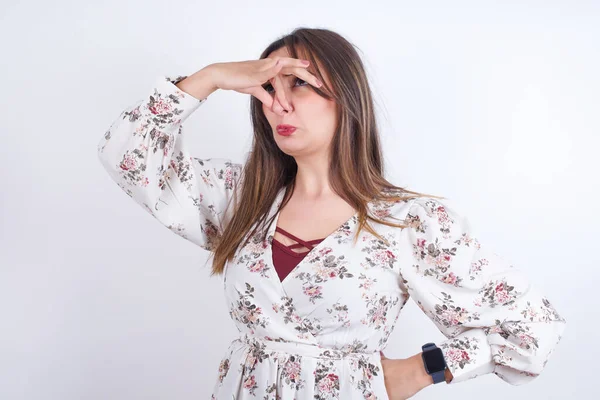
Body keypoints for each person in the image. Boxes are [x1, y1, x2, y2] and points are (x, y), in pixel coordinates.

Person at [97, 27, 566, 399]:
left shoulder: (408, 223)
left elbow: (531, 327)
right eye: (266, 87)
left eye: (298, 84)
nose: (276, 103)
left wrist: (422, 370)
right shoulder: (242, 198)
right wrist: (211, 77)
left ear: (346, 98)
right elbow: (126, 155)